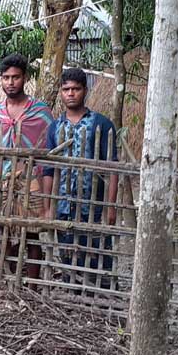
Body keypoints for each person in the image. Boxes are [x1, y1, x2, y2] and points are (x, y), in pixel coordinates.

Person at [42, 68, 118, 288]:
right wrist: (48, 206)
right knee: (67, 256)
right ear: (61, 92)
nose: (71, 94)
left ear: (85, 90)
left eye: (76, 89)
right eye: (66, 89)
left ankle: (103, 299)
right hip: (64, 205)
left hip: (91, 205)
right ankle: (73, 296)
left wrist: (110, 207)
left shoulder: (101, 124)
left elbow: (112, 168)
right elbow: (49, 169)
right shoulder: (55, 128)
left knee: (98, 254)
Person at [0, 53, 54, 282]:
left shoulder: (41, 112)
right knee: (5, 232)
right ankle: (8, 283)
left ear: (24, 78)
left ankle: (33, 286)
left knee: (32, 234)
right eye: (6, 77)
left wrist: (47, 196)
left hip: (32, 180)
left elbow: (49, 152)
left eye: (15, 77)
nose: (10, 82)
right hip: (3, 181)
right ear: (0, 79)